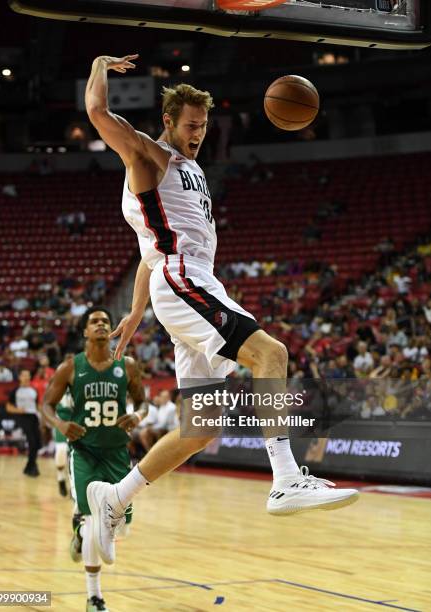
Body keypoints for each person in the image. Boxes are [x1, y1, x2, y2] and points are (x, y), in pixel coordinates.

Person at [84, 54, 358, 564]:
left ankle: (113, 498)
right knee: (270, 354)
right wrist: (99, 65)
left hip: (184, 279)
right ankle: (285, 480)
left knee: (203, 427)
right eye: (190, 125)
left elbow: (147, 255)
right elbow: (99, 113)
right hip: (184, 277)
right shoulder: (149, 155)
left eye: (204, 125)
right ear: (167, 122)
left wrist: (139, 310)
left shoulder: (189, 169)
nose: (199, 133)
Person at [42, 307, 147, 612]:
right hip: (85, 452)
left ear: (112, 330)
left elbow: (143, 402)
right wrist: (60, 425)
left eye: (106, 321)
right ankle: (94, 597)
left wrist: (138, 414)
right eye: (94, 322)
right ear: (85, 332)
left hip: (117, 452)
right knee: (91, 522)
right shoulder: (70, 368)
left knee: (122, 527)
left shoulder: (127, 365)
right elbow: (47, 405)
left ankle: (80, 532)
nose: (101, 324)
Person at [6, 369, 41, 477]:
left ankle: (30, 466)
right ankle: (32, 467)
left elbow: (37, 406)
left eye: (28, 375)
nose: (26, 377)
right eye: (24, 375)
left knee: (38, 443)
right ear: (20, 377)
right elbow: (8, 407)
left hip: (34, 417)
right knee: (32, 441)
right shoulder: (15, 391)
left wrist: (43, 417)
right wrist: (18, 410)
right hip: (23, 417)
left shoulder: (34, 390)